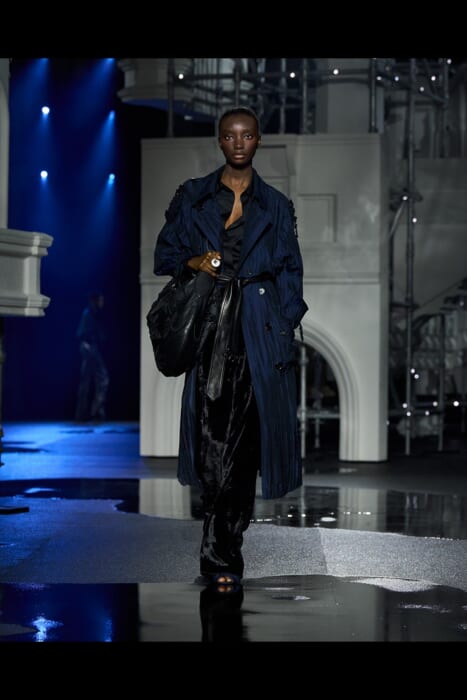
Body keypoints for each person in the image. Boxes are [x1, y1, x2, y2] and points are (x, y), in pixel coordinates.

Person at [153, 107, 308, 593]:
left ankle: (223, 554)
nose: (238, 143)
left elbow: (291, 271)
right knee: (210, 444)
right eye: (229, 135)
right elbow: (164, 255)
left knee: (244, 449)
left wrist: (283, 326)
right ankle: (219, 543)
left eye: (247, 135)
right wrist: (196, 261)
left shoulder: (276, 205)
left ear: (258, 140)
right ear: (220, 141)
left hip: (258, 332)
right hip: (209, 328)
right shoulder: (193, 195)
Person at [75, 291, 109, 422]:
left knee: (88, 380)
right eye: (100, 300)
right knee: (102, 378)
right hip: (89, 347)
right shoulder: (89, 314)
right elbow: (83, 333)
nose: (102, 303)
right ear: (94, 301)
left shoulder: (93, 314)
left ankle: (86, 413)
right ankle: (95, 411)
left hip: (89, 347)